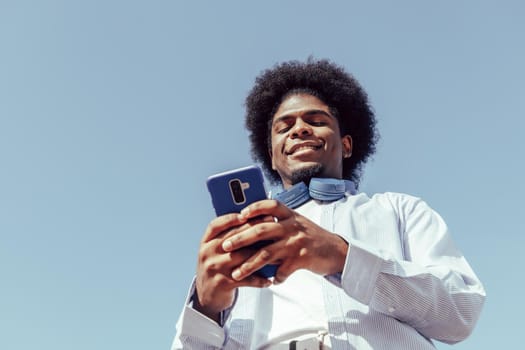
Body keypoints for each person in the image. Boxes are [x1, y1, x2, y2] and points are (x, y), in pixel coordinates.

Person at [171, 58, 485, 349]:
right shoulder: (239, 238)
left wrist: (342, 257)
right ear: (272, 154)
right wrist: (205, 308)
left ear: (347, 145)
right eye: (284, 126)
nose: (299, 129)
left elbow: (461, 312)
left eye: (316, 120)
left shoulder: (400, 211)